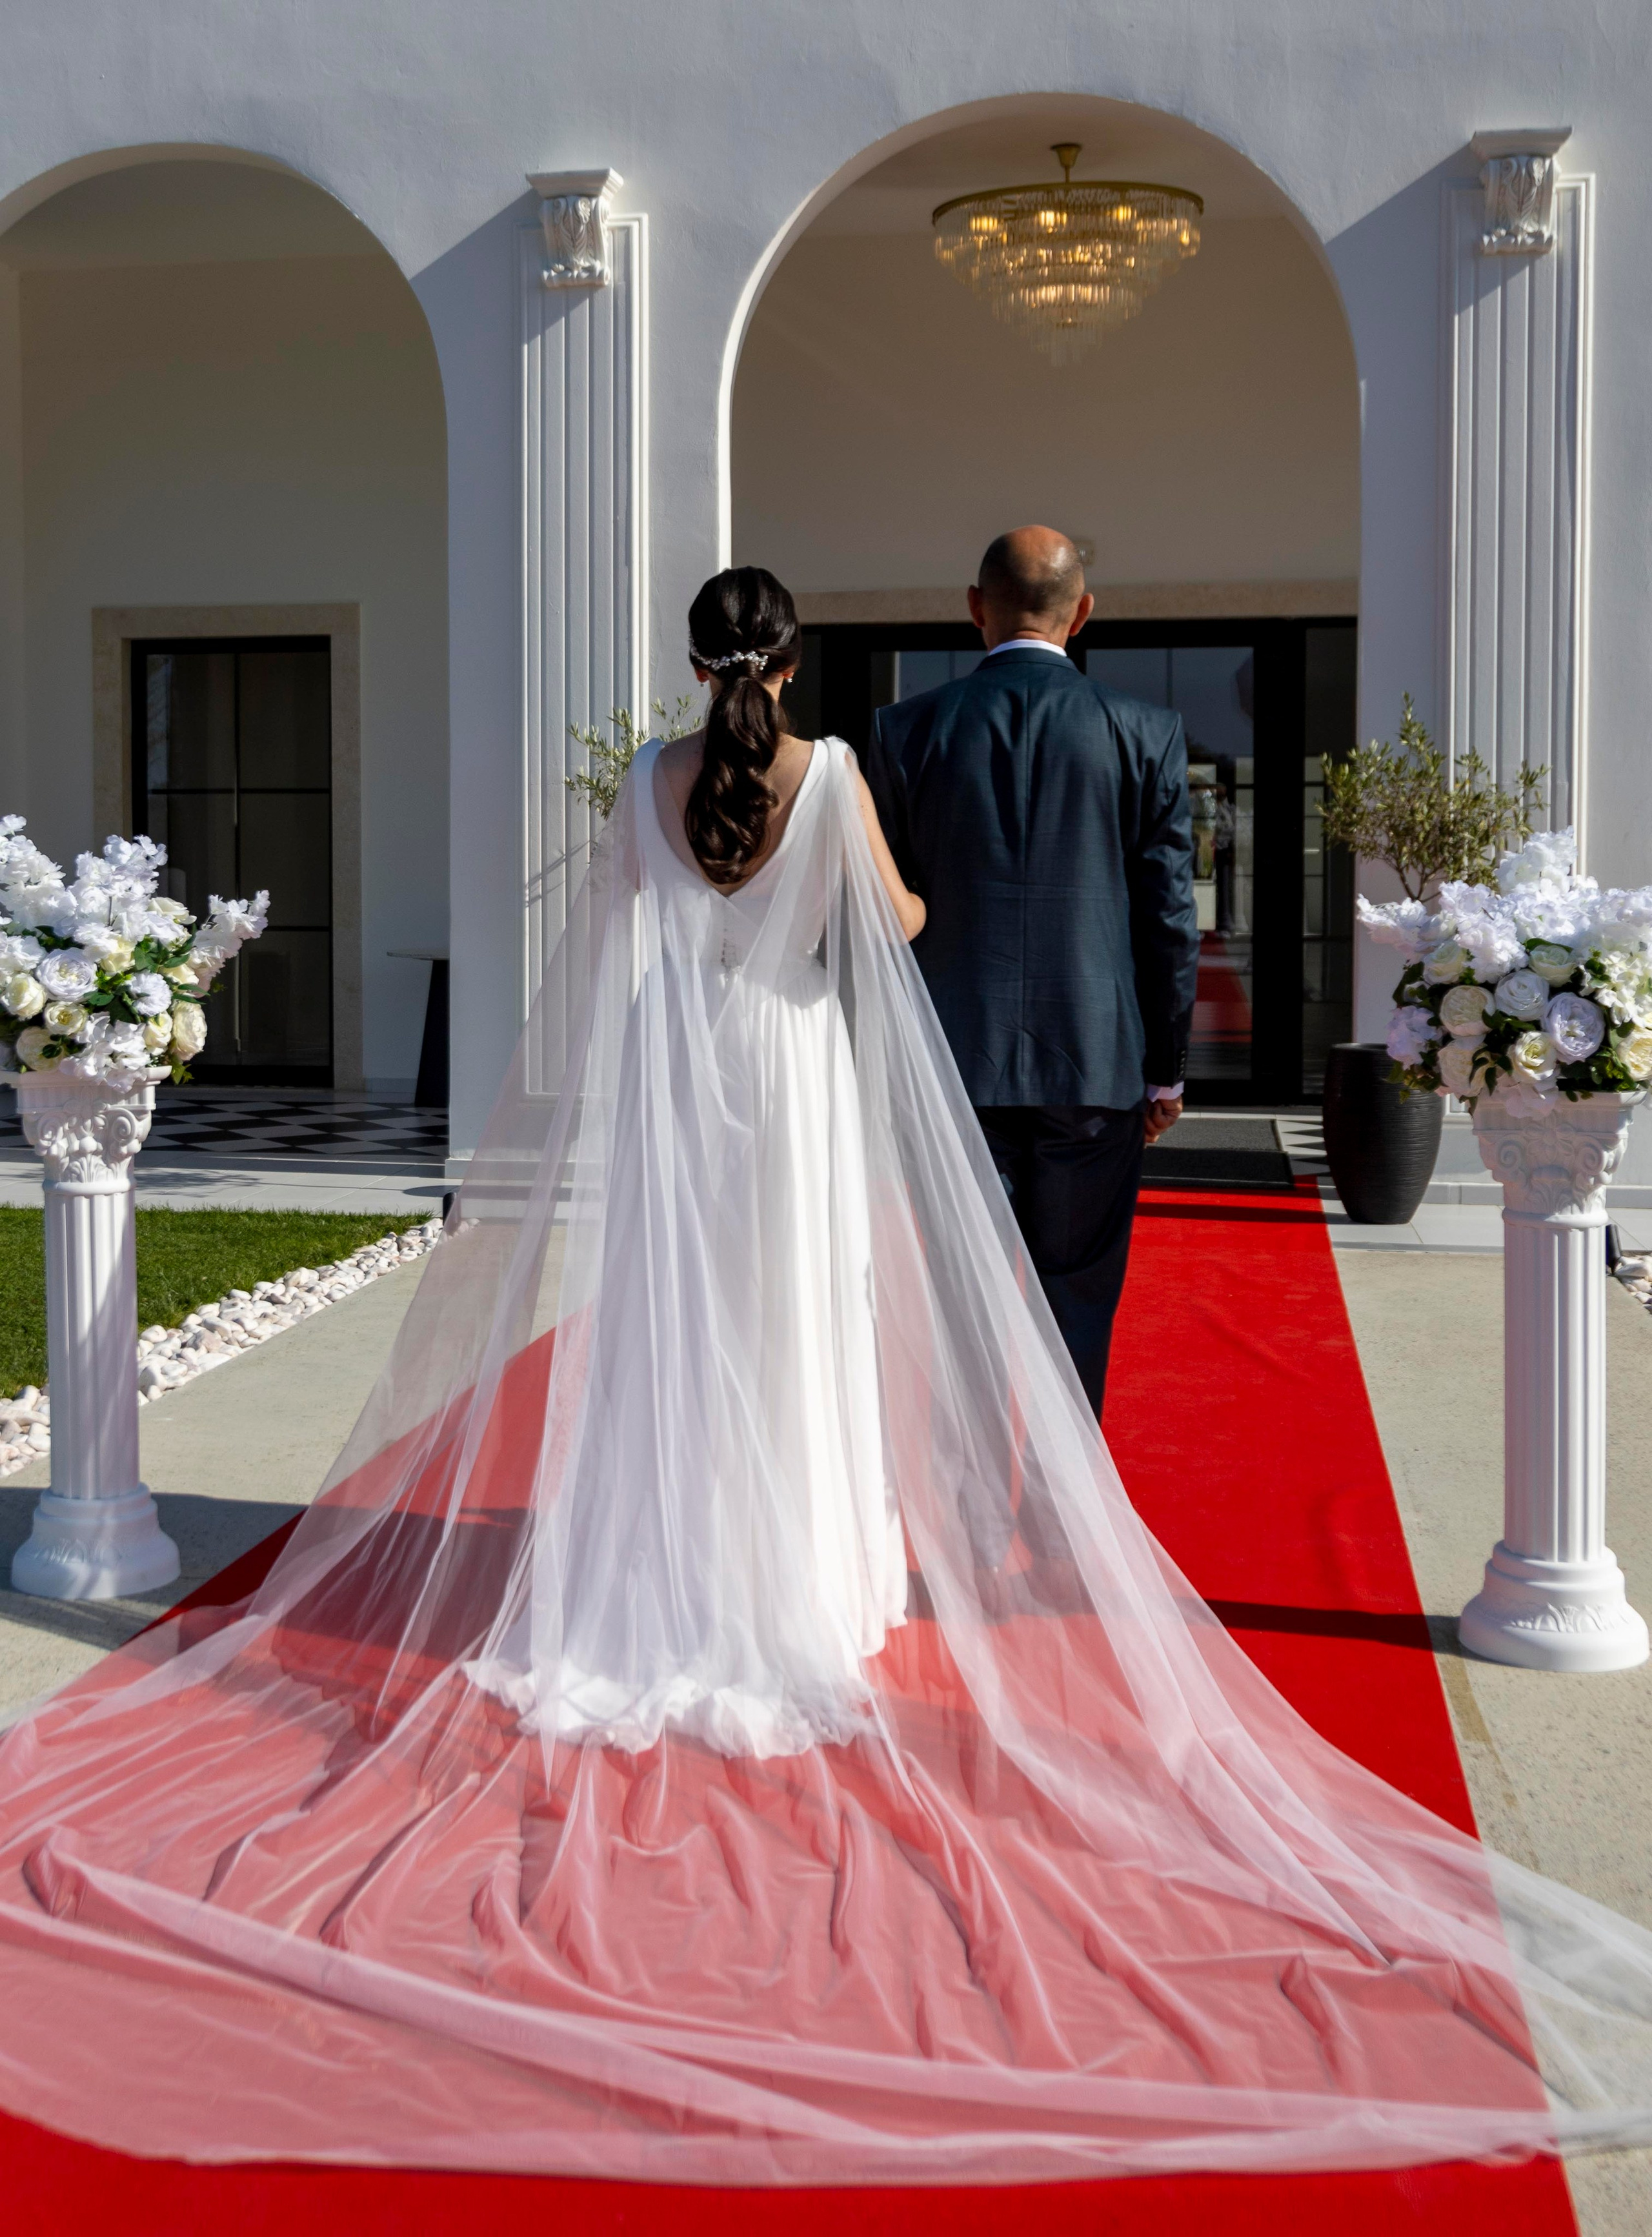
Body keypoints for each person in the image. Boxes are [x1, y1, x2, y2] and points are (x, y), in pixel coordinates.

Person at [0, 565, 1649, 2185]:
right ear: (787, 665)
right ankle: (798, 1572)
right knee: (796, 1319)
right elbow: (898, 922)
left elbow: (613, 934)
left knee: (674, 1323)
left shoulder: (647, 782)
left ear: (700, 662)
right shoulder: (836, 770)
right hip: (788, 1071)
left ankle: (657, 1568)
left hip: (679, 1075)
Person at [865, 527, 1199, 1415]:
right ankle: (1063, 1493)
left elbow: (877, 915)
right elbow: (1170, 918)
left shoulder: (904, 732)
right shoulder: (1146, 732)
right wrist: (1165, 1069)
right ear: (1082, 613)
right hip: (1094, 1065)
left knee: (961, 1302)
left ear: (975, 607)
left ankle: (969, 1491)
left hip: (951, 1070)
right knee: (1077, 1302)